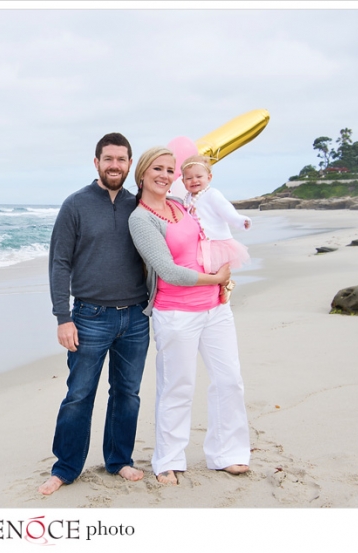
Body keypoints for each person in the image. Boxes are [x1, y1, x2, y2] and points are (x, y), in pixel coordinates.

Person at [128, 146, 251, 486]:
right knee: (177, 386)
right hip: (176, 313)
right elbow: (167, 270)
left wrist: (224, 281)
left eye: (170, 170)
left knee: (229, 380)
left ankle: (228, 453)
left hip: (216, 308)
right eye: (158, 169)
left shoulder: (182, 205)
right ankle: (168, 459)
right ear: (142, 173)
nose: (165, 175)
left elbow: (211, 238)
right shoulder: (140, 218)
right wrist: (216, 277)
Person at [39, 133, 151, 496]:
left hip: (136, 317)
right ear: (96, 162)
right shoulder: (75, 205)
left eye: (121, 159)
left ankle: (118, 460)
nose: (115, 165)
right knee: (79, 394)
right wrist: (62, 317)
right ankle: (66, 467)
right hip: (88, 317)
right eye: (108, 159)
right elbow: (59, 263)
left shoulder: (142, 206)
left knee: (127, 394)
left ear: (130, 164)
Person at [181, 154, 251, 303]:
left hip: (217, 241)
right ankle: (217, 288)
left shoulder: (212, 194)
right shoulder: (186, 198)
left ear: (209, 177)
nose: (194, 180)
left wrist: (240, 221)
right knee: (206, 269)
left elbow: (227, 211)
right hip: (201, 242)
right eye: (189, 178)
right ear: (183, 181)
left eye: (199, 176)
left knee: (218, 268)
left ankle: (226, 284)